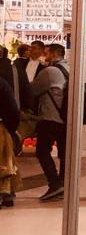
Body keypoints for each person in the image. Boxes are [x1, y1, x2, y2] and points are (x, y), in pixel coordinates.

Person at [30, 43, 69, 201]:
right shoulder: (70, 68)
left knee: (42, 151)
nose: (44, 57)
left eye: (46, 53)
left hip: (50, 117)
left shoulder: (50, 71)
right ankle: (64, 184)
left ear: (54, 54)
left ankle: (55, 184)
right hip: (67, 118)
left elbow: (32, 90)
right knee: (64, 153)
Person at [0, 77, 21, 208]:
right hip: (1, 128)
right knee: (5, 161)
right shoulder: (2, 83)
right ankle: (7, 195)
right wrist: (11, 129)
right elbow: (12, 109)